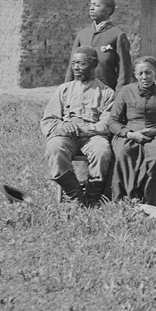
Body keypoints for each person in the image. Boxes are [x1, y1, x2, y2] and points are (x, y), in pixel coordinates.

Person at [41, 46, 114, 207]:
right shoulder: (64, 90)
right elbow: (48, 120)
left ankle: (92, 196)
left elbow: (107, 124)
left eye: (81, 64)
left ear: (93, 65)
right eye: (73, 63)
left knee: (102, 150)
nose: (75, 68)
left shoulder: (107, 93)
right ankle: (75, 195)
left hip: (92, 137)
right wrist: (64, 125)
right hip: (66, 136)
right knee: (54, 147)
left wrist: (83, 129)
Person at [108, 56, 156, 207]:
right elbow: (112, 121)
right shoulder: (125, 91)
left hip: (155, 133)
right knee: (124, 151)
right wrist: (129, 134)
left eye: (148, 72)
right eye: (140, 73)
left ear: (155, 72)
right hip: (130, 132)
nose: (144, 77)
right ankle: (127, 198)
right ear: (135, 74)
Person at [65, 0, 133, 93]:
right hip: (80, 89)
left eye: (96, 5)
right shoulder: (83, 34)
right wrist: (67, 89)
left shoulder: (117, 35)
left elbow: (123, 70)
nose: (91, 8)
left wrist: (120, 95)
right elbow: (72, 66)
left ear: (108, 10)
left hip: (106, 91)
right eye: (90, 5)